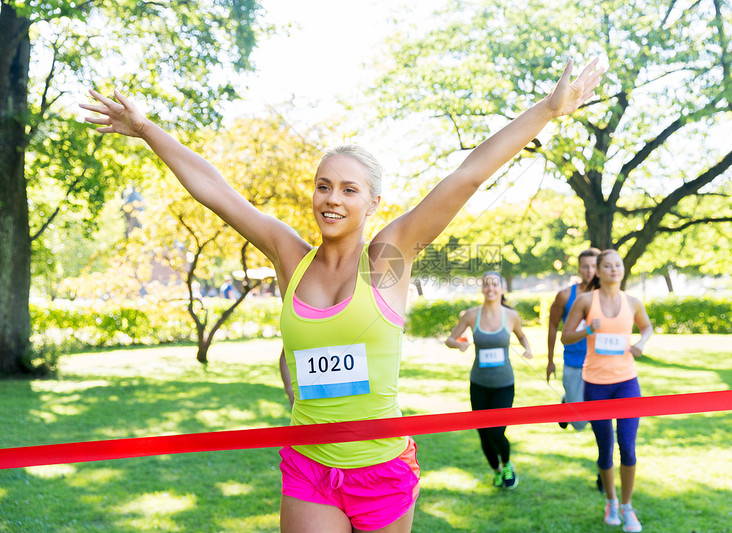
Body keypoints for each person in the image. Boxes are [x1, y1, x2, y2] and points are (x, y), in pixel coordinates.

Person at [82, 55, 603, 533]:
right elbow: (218, 192)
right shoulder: (289, 255)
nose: (331, 199)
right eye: (323, 185)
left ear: (373, 202)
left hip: (380, 469)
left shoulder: (388, 258)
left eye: (348, 190)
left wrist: (548, 110)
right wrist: (148, 130)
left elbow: (465, 177)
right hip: (310, 466)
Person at [561, 249, 653, 533]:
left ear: (622, 270)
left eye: (618, 265)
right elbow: (566, 337)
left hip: (627, 382)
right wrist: (588, 331)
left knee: (627, 445)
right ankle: (611, 502)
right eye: (608, 266)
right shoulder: (587, 301)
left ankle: (627, 507)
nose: (614, 270)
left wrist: (641, 343)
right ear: (598, 271)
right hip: (596, 384)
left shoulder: (633, 302)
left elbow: (647, 327)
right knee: (605, 447)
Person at [444, 272, 533, 490]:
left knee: (496, 430)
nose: (490, 288)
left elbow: (521, 335)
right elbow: (449, 339)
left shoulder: (511, 316)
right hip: (479, 385)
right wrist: (459, 345)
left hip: (504, 384)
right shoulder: (471, 315)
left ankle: (508, 464)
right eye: (486, 284)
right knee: (483, 433)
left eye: (495, 284)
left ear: (502, 289)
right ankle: (496, 471)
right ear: (482, 289)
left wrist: (528, 348)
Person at [546, 247, 600, 431]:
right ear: (578, 269)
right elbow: (553, 326)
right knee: (578, 424)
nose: (589, 271)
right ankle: (567, 400)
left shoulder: (606, 296)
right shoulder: (565, 296)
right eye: (585, 266)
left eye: (593, 266)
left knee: (601, 416)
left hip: (600, 363)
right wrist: (550, 361)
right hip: (574, 362)